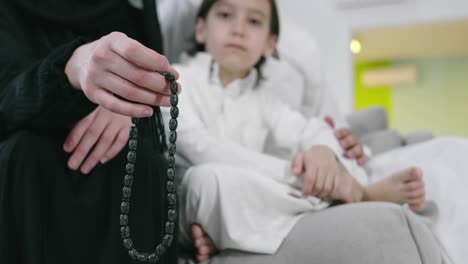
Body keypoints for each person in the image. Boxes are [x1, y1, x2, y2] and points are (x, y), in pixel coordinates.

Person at [161, 0, 426, 262]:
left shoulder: (265, 101)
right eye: (225, 15)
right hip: (195, 200)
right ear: (200, 29)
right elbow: (202, 150)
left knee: (329, 154)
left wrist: (322, 153)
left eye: (253, 21)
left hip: (250, 197)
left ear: (269, 44)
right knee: (207, 180)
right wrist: (303, 176)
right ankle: (353, 193)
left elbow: (313, 130)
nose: (238, 29)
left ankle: (226, 235)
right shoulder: (176, 82)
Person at [0, 0, 181, 263]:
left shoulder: (130, 7)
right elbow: (7, 94)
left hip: (121, 152)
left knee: (140, 160)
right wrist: (71, 69)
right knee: (25, 153)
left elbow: (151, 88)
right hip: (23, 155)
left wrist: (125, 100)